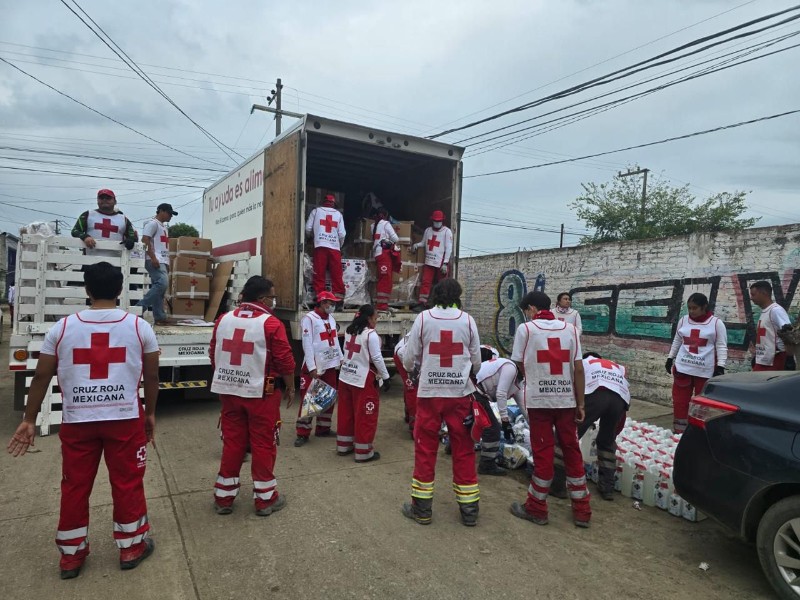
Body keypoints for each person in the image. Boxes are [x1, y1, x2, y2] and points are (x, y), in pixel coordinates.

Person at [6, 262, 159, 579]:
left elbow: (41, 376)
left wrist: (29, 419)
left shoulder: (61, 329)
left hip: (78, 421)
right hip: (124, 419)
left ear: (86, 290)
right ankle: (131, 546)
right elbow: (153, 376)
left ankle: (71, 556)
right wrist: (152, 413)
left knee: (74, 486)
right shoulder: (138, 327)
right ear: (119, 291)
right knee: (127, 482)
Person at [209, 276, 296, 516]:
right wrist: (290, 386)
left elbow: (214, 353)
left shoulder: (223, 320)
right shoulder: (271, 323)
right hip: (262, 395)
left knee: (233, 443)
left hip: (229, 392)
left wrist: (226, 380)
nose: (274, 301)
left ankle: (223, 498)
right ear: (262, 298)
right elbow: (285, 361)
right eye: (272, 296)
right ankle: (266, 499)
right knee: (263, 444)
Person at [401, 278, 482, 527]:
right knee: (464, 449)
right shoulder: (468, 320)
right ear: (457, 295)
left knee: (425, 448)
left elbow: (409, 357)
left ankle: (422, 510)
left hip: (429, 394)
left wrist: (417, 371)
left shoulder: (424, 318)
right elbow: (476, 360)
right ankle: (469, 512)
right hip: (459, 394)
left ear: (435, 295)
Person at [509, 291, 590, 528]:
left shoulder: (526, 330)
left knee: (543, 452)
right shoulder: (571, 330)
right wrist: (581, 403)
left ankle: (536, 508)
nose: (527, 316)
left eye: (526, 311)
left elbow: (519, 363)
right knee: (572, 450)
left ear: (532, 309)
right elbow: (578, 369)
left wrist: (536, 379)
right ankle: (583, 510)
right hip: (566, 401)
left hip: (539, 403)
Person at [552, 352, 630, 501]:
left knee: (565, 438)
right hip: (620, 399)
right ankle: (607, 488)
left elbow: (573, 391)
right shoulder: (616, 367)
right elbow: (622, 413)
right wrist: (612, 434)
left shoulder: (583, 364)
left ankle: (557, 486)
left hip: (596, 393)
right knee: (606, 443)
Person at [665, 293, 728, 433]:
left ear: (704, 307)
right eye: (689, 308)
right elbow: (677, 340)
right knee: (680, 402)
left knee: (702, 405)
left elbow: (721, 346)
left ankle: (699, 432)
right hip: (683, 369)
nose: (692, 311)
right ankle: (679, 431)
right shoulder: (683, 321)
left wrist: (720, 366)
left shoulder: (716, 323)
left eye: (695, 308)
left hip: (704, 371)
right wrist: (670, 358)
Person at [336, 304, 390, 462]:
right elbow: (377, 358)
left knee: (346, 413)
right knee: (365, 416)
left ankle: (343, 446)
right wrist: (385, 376)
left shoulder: (349, 330)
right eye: (376, 317)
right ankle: (363, 452)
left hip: (345, 376)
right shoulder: (370, 335)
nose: (377, 320)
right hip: (363, 379)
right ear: (368, 318)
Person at [295, 290, 343, 446]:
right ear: (323, 303)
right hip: (315, 365)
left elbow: (334, 340)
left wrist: (340, 359)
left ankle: (323, 428)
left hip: (329, 364)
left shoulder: (331, 319)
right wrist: (311, 367)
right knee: (309, 399)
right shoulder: (309, 319)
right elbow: (307, 344)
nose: (333, 306)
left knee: (328, 396)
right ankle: (303, 433)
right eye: (331, 303)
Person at [474, 345, 524, 476]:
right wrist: (505, 421)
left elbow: (523, 405)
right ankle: (486, 465)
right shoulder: (510, 368)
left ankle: (452, 446)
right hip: (475, 391)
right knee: (492, 428)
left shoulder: (518, 379)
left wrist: (535, 427)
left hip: (475, 391)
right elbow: (501, 393)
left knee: (473, 423)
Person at [136, 203, 176, 325]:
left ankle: (159, 316)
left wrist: (167, 262)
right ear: (161, 211)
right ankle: (139, 308)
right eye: (169, 213)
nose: (171, 216)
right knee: (162, 284)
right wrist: (152, 257)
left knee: (159, 288)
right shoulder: (152, 223)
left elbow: (163, 246)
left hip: (161, 259)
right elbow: (145, 240)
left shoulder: (163, 227)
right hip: (154, 259)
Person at [305, 194, 346, 304]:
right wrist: (339, 245)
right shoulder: (338, 214)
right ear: (334, 203)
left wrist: (311, 237)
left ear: (323, 202)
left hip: (320, 246)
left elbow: (308, 228)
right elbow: (342, 234)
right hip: (335, 248)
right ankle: (338, 299)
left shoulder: (316, 211)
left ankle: (321, 297)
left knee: (319, 272)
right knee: (337, 274)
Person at [71, 189, 137, 257]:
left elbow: (132, 236)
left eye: (108, 198)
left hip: (116, 262)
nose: (104, 200)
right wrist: (85, 237)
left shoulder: (124, 219)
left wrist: (130, 240)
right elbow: (75, 231)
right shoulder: (87, 215)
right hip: (90, 260)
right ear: (97, 201)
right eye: (101, 198)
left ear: (115, 201)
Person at [412, 210, 453, 312]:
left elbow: (449, 248)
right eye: (435, 220)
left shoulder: (447, 232)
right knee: (425, 282)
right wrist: (416, 245)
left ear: (442, 220)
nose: (437, 222)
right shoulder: (428, 230)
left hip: (441, 262)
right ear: (432, 220)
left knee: (442, 284)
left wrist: (445, 263)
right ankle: (422, 303)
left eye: (439, 221)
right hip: (429, 261)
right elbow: (424, 243)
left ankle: (443, 304)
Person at [749, 280, 792, 371]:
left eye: (753, 294)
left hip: (774, 361)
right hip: (763, 360)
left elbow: (789, 333)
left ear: (764, 293)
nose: (751, 298)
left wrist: (788, 357)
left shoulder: (776, 310)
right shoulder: (766, 311)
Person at [371, 208, 399, 312]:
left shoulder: (373, 225)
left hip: (378, 254)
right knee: (385, 279)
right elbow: (396, 239)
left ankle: (382, 304)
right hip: (384, 254)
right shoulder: (386, 224)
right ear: (385, 215)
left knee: (383, 278)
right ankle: (382, 306)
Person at [394, 332, 418, 438]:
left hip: (409, 356)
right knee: (412, 389)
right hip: (402, 356)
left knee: (411, 388)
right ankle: (414, 426)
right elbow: (402, 353)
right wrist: (410, 370)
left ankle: (409, 415)